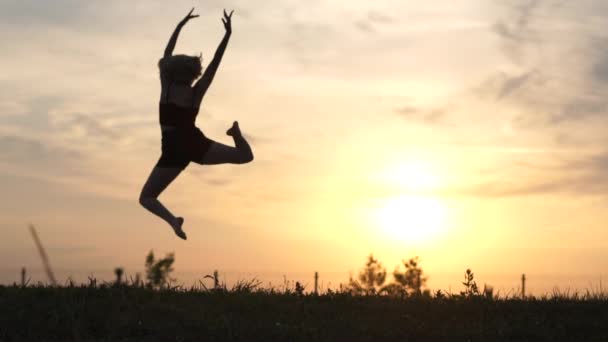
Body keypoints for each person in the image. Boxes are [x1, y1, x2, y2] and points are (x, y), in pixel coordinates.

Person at [139, 8, 254, 240]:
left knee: (147, 198)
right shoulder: (196, 92)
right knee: (245, 156)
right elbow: (213, 65)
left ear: (173, 70)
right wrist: (227, 35)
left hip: (174, 150)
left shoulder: (167, 86)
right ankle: (235, 133)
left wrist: (180, 25)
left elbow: (166, 54)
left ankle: (173, 221)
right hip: (193, 145)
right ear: (192, 74)